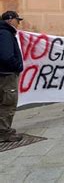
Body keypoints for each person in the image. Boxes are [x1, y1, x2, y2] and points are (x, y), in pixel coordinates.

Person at [0, 11, 24, 142]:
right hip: (6, 74)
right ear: (10, 20)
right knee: (8, 103)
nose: (19, 23)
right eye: (17, 20)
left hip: (2, 74)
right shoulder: (5, 33)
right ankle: (4, 132)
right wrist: (17, 66)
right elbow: (6, 55)